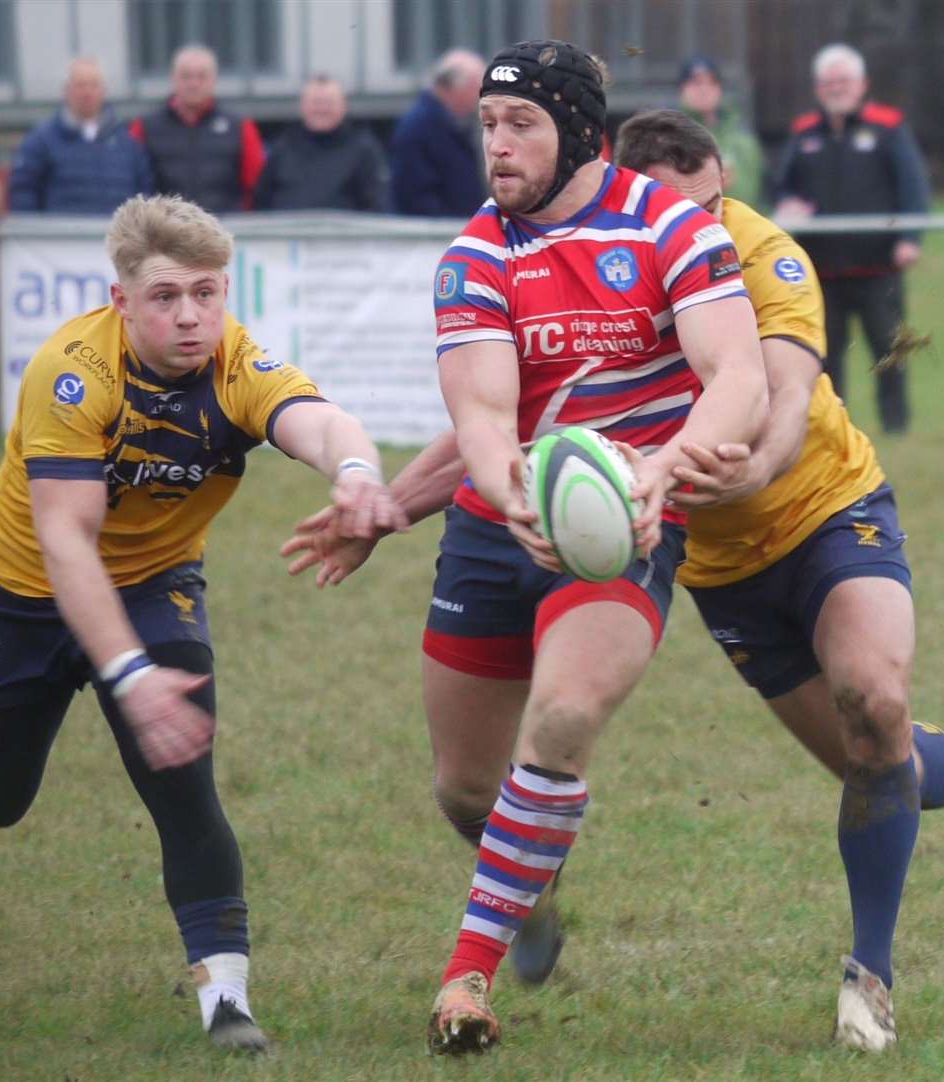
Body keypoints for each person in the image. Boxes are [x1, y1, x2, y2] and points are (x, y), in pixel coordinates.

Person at [284, 107, 944, 1055]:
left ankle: (871, 976)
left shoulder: (762, 257)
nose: (697, 231)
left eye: (711, 207)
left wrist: (743, 463)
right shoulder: (605, 252)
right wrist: (392, 507)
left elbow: (778, 404)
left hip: (825, 516)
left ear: (725, 184)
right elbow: (513, 414)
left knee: (876, 704)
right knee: (865, 758)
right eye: (673, 211)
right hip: (719, 568)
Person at [295, 37, 769, 1055]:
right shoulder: (476, 251)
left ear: (583, 134)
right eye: (489, 128)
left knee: (558, 718)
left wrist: (662, 470)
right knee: (467, 787)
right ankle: (533, 881)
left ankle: (466, 973)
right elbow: (480, 407)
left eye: (522, 126)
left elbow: (737, 375)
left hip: (628, 520)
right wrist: (508, 488)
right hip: (494, 521)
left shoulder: (670, 229)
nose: (498, 148)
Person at [0, 194, 406, 1053]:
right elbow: (66, 543)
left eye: (208, 294)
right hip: (19, 593)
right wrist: (129, 677)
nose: (191, 317)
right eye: (168, 296)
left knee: (184, 775)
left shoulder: (235, 360)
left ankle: (226, 1002)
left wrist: (357, 471)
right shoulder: (72, 372)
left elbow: (315, 420)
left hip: (153, 584)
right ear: (121, 300)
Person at [773, 43, 930, 434]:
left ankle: (897, 426)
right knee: (824, 356)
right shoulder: (804, 133)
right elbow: (781, 188)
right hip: (822, 269)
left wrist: (909, 238)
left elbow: (913, 188)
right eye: (827, 82)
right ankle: (832, 427)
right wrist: (787, 207)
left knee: (889, 350)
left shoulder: (888, 127)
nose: (835, 88)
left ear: (861, 84)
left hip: (878, 266)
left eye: (843, 81)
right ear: (817, 87)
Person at [130, 45, 266, 213]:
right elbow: (133, 186)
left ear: (214, 80)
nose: (193, 83)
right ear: (173, 78)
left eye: (202, 77)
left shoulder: (241, 127)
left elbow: (257, 186)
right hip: (165, 233)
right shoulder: (144, 127)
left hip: (223, 231)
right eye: (186, 76)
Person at [9, 57, 154, 213]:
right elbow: (24, 193)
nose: (87, 92)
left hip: (117, 235)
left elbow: (145, 193)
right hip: (60, 236)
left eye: (93, 85)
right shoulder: (40, 141)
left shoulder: (128, 144)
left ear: (104, 91)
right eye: (80, 85)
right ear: (66, 90)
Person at [253, 75, 388, 212]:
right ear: (302, 106)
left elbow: (377, 206)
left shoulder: (364, 151)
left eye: (329, 103)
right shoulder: (282, 149)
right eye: (316, 102)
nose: (322, 109)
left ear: (343, 106)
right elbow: (261, 201)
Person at [389, 49, 486, 217]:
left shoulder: (452, 124)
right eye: (477, 88)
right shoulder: (419, 129)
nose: (481, 97)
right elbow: (415, 196)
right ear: (458, 88)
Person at [678, 53, 763, 207]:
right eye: (696, 82)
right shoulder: (671, 136)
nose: (705, 89)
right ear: (682, 89)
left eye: (712, 82)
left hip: (742, 225)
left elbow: (763, 193)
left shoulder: (744, 138)